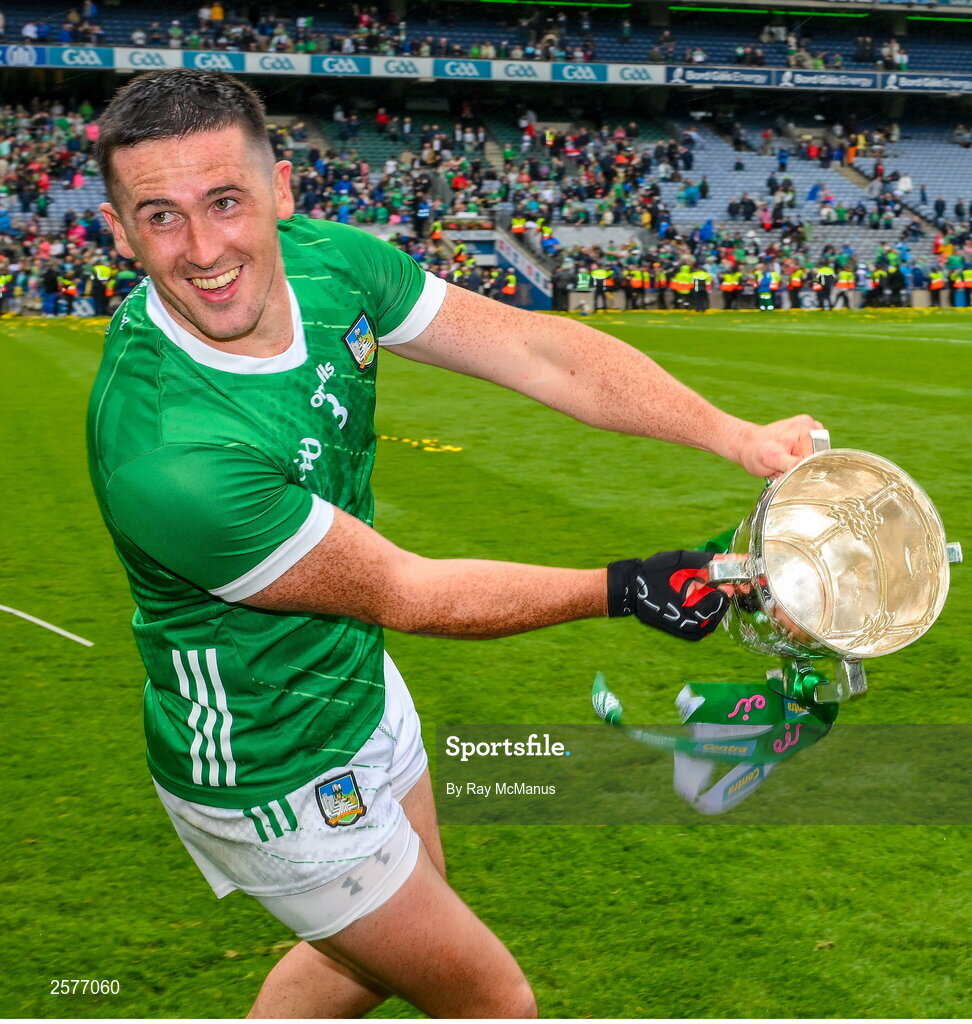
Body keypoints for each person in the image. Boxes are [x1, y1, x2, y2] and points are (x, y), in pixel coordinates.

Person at [87, 69, 822, 1019]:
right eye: (160, 216)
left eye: (225, 201)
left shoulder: (332, 265)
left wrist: (737, 436)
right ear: (117, 232)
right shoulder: (166, 453)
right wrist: (626, 585)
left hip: (355, 682)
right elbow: (410, 591)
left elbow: (533, 348)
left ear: (281, 192)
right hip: (269, 758)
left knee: (367, 961)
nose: (205, 248)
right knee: (491, 999)